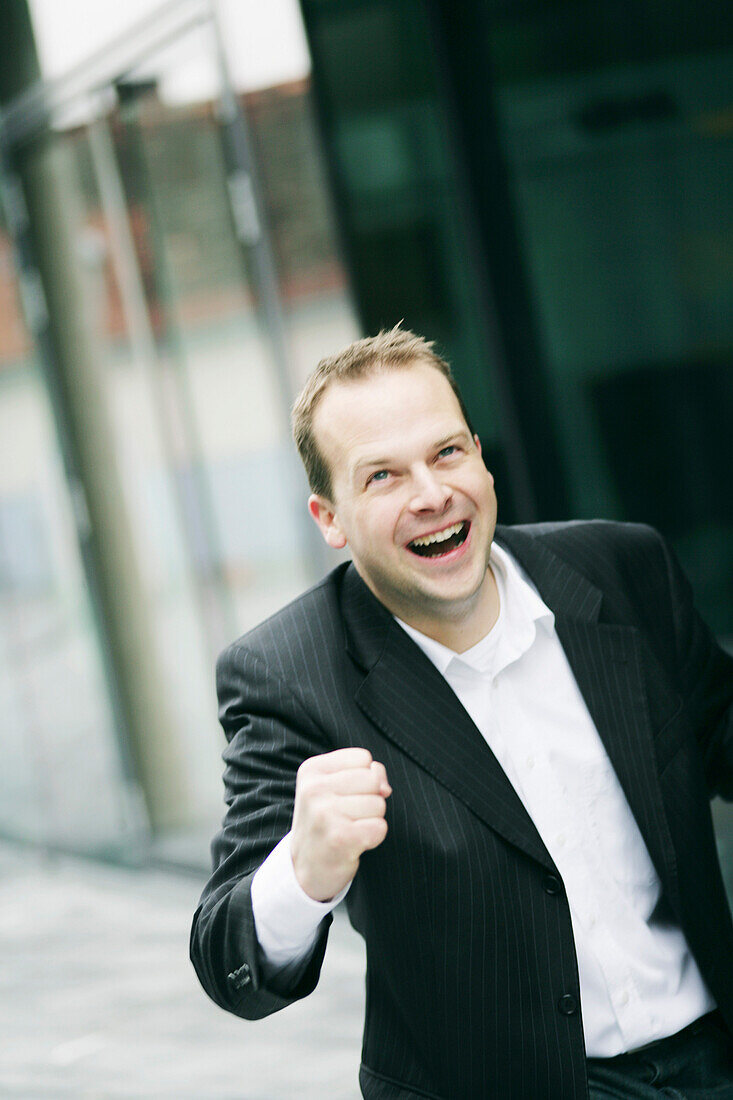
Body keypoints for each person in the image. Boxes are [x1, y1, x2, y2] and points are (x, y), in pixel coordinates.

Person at [190, 327, 733, 1099]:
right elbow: (228, 964)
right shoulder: (286, 675)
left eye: (445, 453)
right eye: (381, 476)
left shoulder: (623, 568)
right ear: (329, 518)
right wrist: (303, 871)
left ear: (479, 455)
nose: (430, 493)